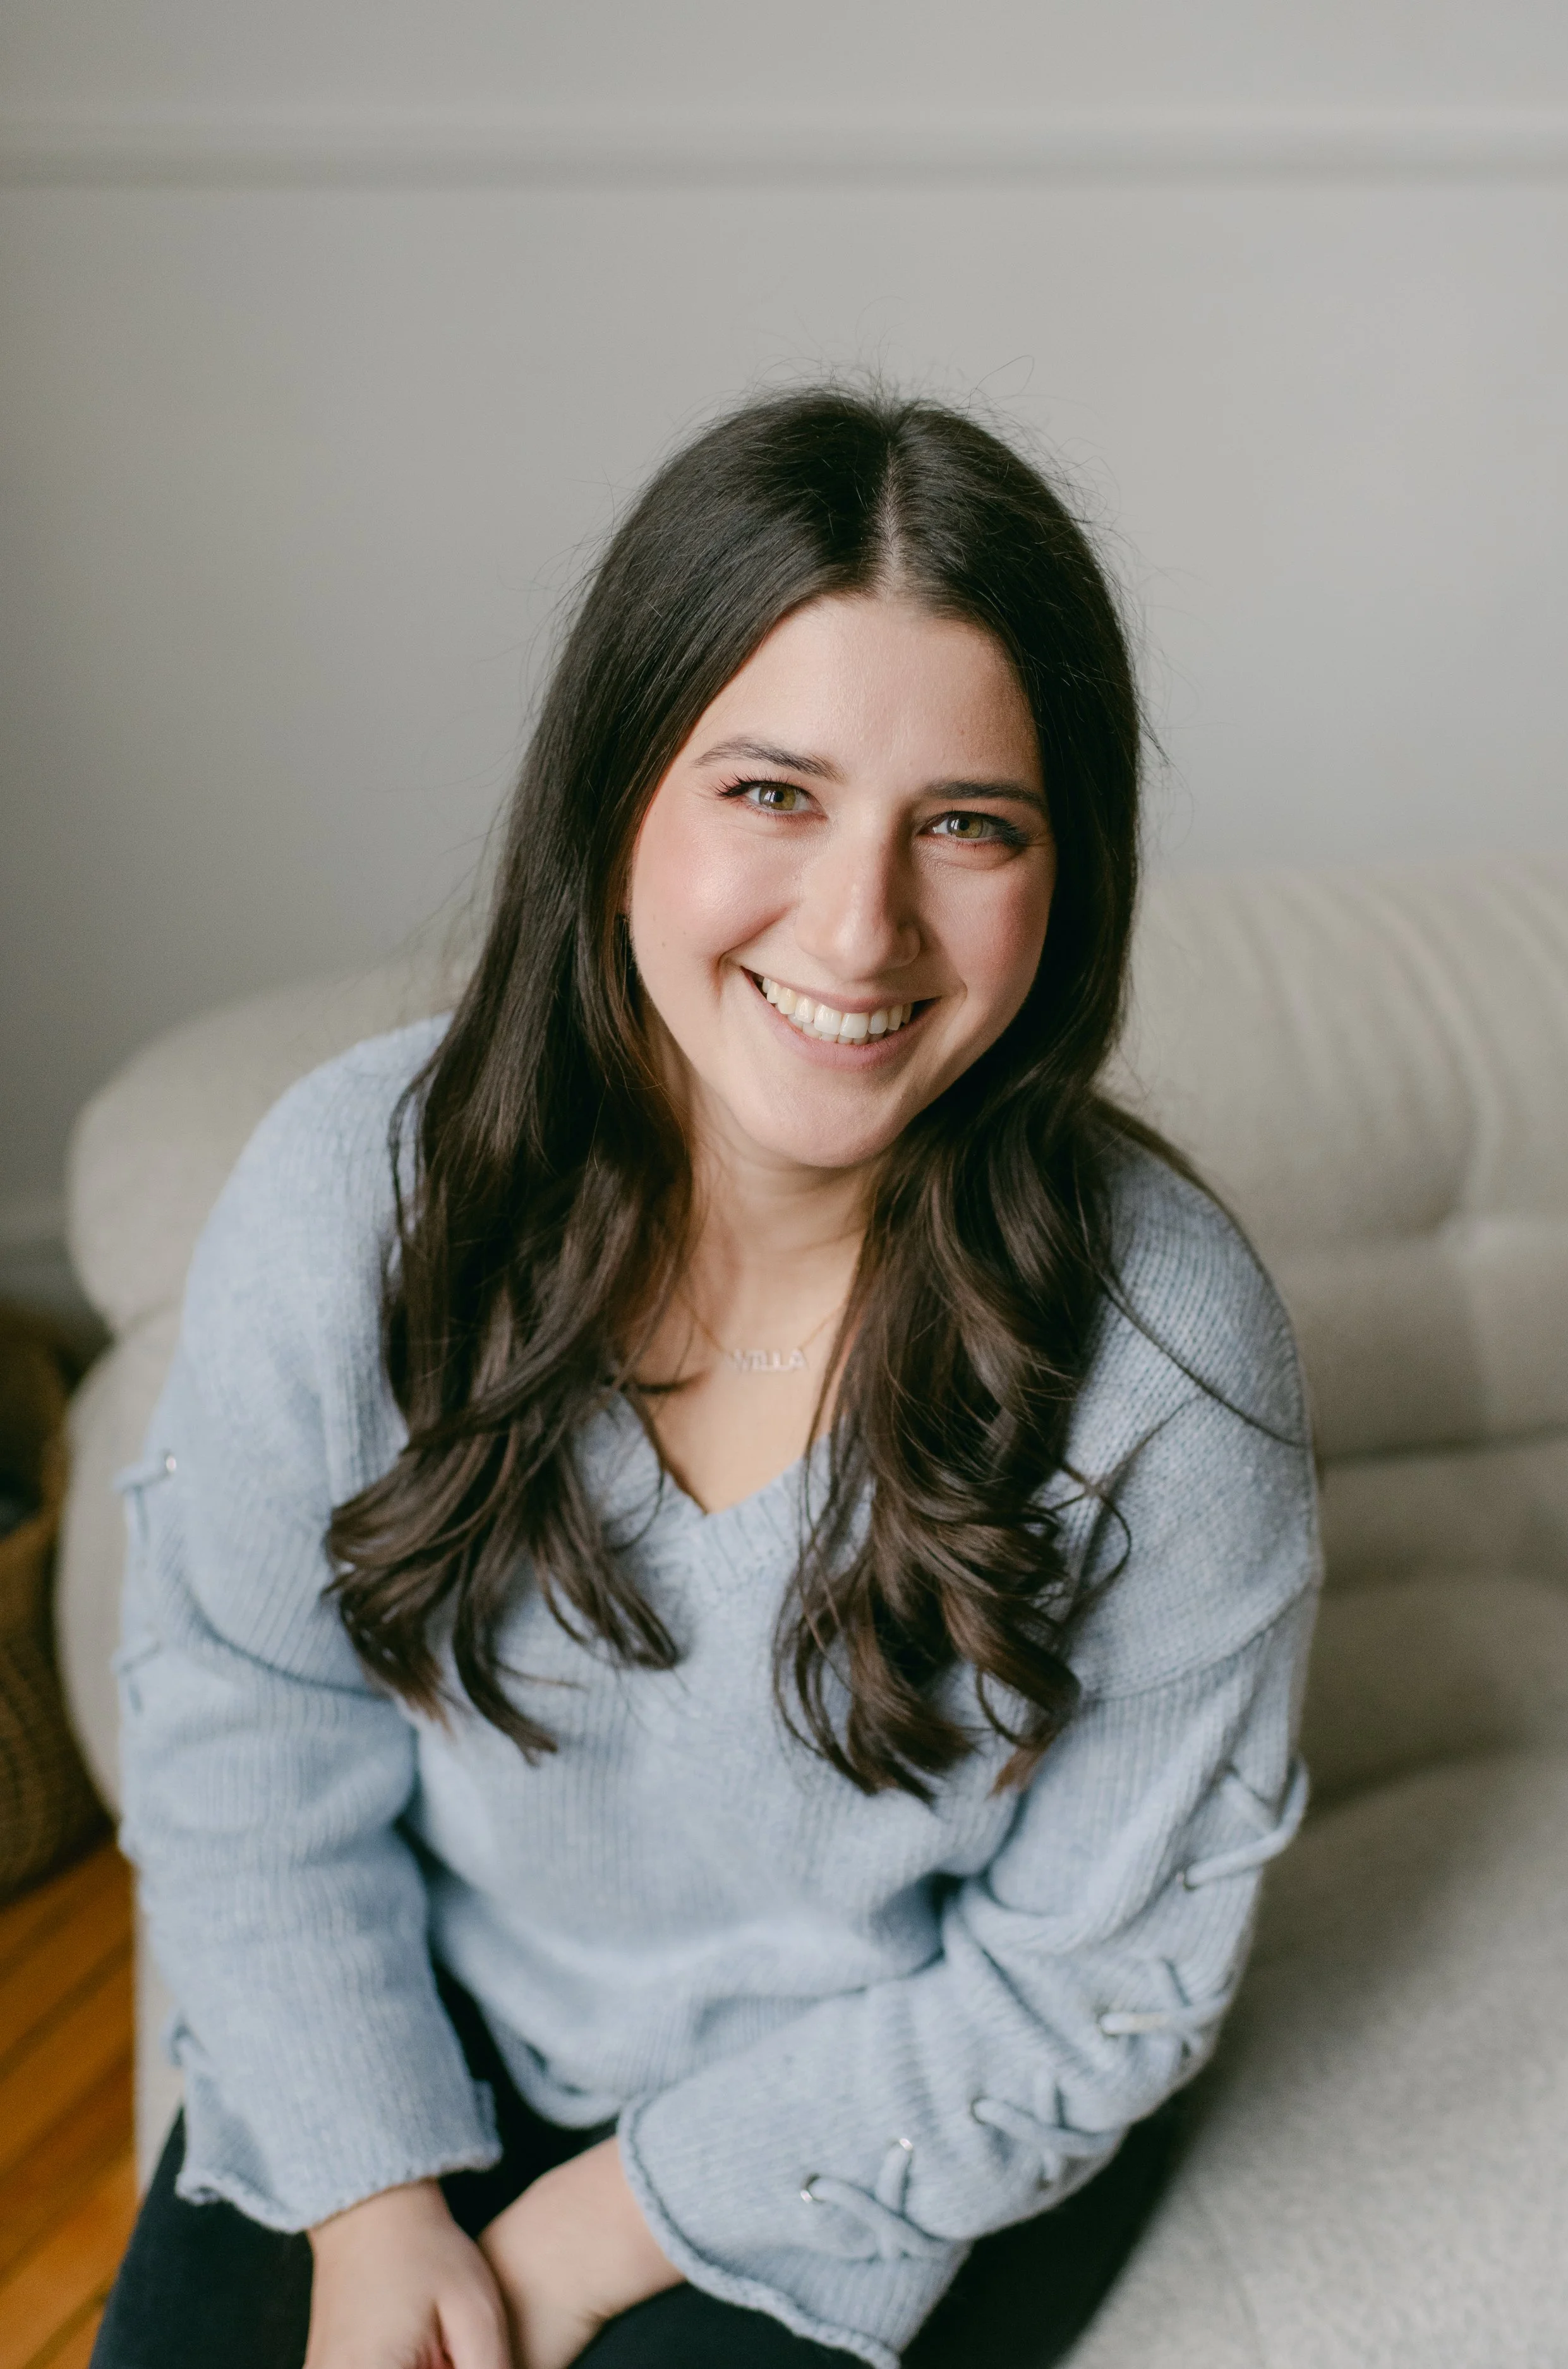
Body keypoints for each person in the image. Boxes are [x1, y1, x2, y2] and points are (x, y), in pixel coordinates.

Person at [94, 388, 1318, 2369]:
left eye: (968, 826)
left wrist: (598, 2227)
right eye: (771, 792)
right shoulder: (351, 1193)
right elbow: (246, 1719)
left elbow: (1091, 1984)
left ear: (1066, 873)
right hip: (435, 2019)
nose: (858, 925)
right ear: (617, 798)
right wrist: (378, 2191)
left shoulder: (1172, 1354)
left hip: (878, 2102)